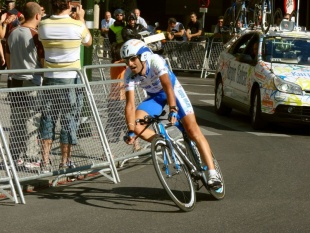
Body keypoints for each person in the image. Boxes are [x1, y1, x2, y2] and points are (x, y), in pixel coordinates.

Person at [120, 39, 222, 188]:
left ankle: (213, 174)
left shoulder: (155, 60)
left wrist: (173, 109)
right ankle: (166, 143)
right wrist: (130, 130)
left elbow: (167, 86)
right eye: (126, 61)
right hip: (154, 97)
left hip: (173, 91)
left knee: (193, 130)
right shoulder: (129, 74)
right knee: (136, 126)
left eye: (132, 59)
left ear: (142, 56)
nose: (129, 64)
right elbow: (130, 105)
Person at [38, 0, 92, 172]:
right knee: (69, 120)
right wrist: (81, 19)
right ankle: (65, 161)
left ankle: (45, 162)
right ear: (69, 4)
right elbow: (88, 41)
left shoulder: (43, 24)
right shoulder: (77, 26)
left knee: (48, 119)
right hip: (70, 78)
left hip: (49, 78)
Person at [6, 1, 44, 168]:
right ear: (37, 16)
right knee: (32, 121)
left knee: (17, 120)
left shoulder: (12, 32)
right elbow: (42, 61)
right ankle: (31, 157)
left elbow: (7, 55)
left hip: (15, 80)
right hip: (32, 80)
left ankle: (15, 155)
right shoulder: (35, 35)